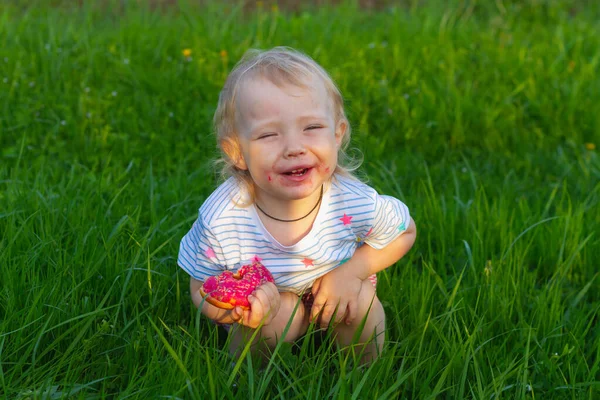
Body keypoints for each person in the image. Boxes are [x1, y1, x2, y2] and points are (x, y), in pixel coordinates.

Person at [178, 46, 416, 363]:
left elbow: (405, 231)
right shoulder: (223, 218)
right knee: (268, 320)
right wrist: (231, 311)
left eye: (312, 128)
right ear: (236, 152)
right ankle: (252, 382)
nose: (294, 148)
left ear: (337, 135)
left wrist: (353, 272)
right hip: (272, 311)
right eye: (268, 135)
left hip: (337, 296)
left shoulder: (352, 201)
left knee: (360, 303)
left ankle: (366, 377)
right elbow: (201, 286)